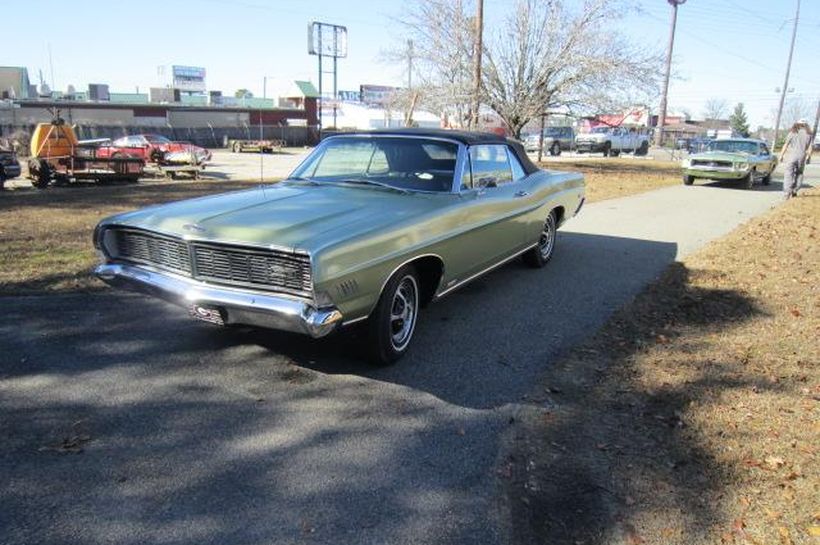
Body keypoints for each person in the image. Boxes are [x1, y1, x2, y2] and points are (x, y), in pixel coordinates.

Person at [778, 119, 813, 200]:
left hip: (792, 156)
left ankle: (787, 193)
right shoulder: (809, 134)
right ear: (806, 125)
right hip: (802, 156)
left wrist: (781, 155)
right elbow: (810, 148)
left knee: (788, 174)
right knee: (799, 173)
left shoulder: (792, 132)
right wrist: (808, 157)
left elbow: (786, 145)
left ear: (797, 124)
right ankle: (795, 190)